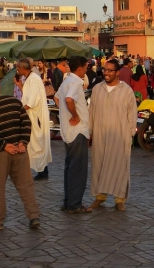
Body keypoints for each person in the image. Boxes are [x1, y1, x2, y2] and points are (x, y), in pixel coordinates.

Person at [0, 74, 41, 230]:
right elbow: (26, 122)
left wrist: (4, 146)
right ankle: (33, 217)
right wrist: (22, 142)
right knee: (25, 185)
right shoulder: (14, 101)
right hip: (19, 151)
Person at [89, 59, 138, 211]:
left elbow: (132, 114)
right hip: (100, 134)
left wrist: (129, 133)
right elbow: (92, 112)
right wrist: (89, 132)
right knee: (99, 165)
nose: (106, 73)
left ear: (117, 73)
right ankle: (100, 197)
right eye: (105, 70)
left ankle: (119, 199)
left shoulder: (126, 90)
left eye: (110, 70)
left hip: (120, 135)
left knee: (119, 167)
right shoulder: (97, 89)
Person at [55, 56, 92, 214]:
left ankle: (68, 201)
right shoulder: (76, 82)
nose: (86, 71)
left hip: (68, 131)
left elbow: (57, 98)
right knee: (78, 169)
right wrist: (75, 116)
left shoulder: (66, 81)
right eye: (85, 68)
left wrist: (65, 114)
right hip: (78, 131)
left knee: (70, 167)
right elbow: (69, 99)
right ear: (80, 68)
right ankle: (75, 204)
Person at [15, 58, 52, 180]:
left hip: (36, 117)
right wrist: (20, 85)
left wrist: (18, 111)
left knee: (38, 143)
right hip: (31, 116)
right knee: (34, 143)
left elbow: (31, 102)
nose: (17, 69)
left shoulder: (34, 79)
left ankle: (43, 170)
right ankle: (38, 169)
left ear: (22, 68)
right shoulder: (29, 78)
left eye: (18, 67)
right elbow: (28, 96)